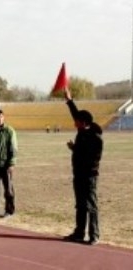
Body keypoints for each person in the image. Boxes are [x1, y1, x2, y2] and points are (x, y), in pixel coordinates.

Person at [63, 88, 103, 245]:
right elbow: (76, 114)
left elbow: (92, 158)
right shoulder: (82, 131)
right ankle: (79, 233)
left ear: (84, 122)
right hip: (78, 175)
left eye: (77, 121)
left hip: (89, 176)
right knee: (80, 205)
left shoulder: (96, 138)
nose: (75, 122)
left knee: (91, 205)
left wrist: (75, 149)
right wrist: (69, 100)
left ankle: (94, 235)